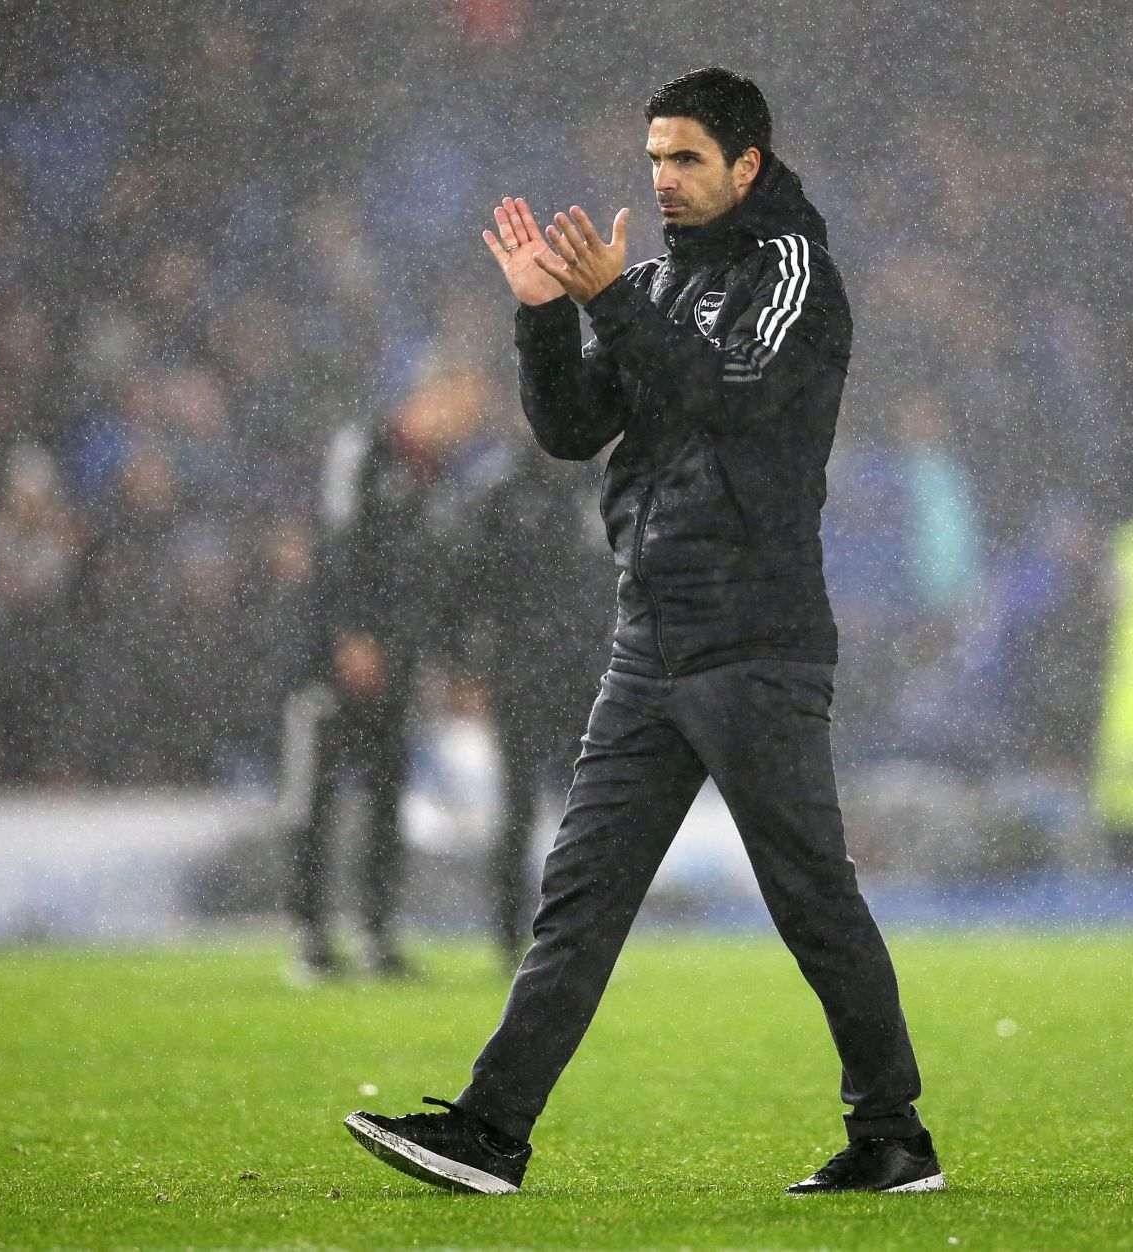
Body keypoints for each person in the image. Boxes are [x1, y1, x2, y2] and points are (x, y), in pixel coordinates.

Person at [344, 69, 940, 1196]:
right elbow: (575, 429)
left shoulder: (794, 271)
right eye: (653, 159)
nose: (662, 180)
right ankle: (490, 1129)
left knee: (810, 896)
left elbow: (733, 399)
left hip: (755, 639)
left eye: (686, 160)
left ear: (746, 167)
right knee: (580, 893)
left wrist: (617, 299)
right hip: (650, 638)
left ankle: (893, 1134)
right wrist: (541, 311)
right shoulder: (655, 280)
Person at [280, 359, 496, 982]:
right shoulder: (365, 449)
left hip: (399, 662)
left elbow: (442, 579)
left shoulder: (441, 476)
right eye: (462, 402)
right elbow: (339, 543)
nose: (469, 419)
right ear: (425, 396)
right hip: (330, 661)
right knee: (315, 796)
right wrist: (352, 634)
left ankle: (376, 936)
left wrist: (453, 661)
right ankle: (310, 940)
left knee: (383, 798)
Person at [456, 442, 609, 970]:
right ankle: (507, 936)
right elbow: (474, 583)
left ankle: (582, 934)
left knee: (589, 808)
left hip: (593, 674)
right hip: (520, 672)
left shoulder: (600, 483)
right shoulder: (502, 488)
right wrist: (471, 665)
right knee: (517, 809)